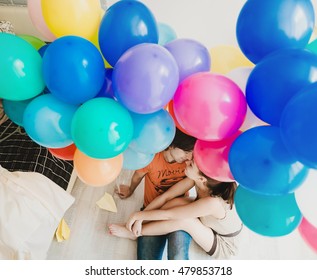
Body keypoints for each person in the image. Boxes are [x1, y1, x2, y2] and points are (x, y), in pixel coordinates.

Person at [109, 160, 243, 259]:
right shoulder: (198, 180)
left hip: (222, 242)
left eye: (191, 164)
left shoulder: (212, 203)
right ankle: (139, 227)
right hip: (209, 219)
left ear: (202, 179)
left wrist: (137, 216)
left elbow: (169, 215)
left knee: (184, 221)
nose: (188, 161)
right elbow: (167, 197)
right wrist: (142, 217)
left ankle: (135, 233)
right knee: (176, 201)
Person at [116, 128, 196, 260]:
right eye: (186, 152)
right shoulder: (152, 157)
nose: (188, 157)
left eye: (190, 153)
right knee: (147, 259)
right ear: (171, 145)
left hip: (177, 211)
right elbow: (137, 176)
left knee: (178, 257)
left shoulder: (188, 164)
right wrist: (130, 190)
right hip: (150, 211)